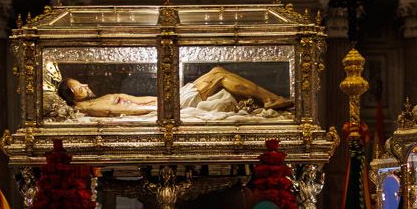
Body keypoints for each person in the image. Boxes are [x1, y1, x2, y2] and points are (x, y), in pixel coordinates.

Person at [57, 66, 292, 119]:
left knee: (219, 73)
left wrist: (166, 100)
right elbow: (123, 110)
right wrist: (163, 109)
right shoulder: (86, 107)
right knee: (218, 73)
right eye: (79, 86)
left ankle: (267, 100)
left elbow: (137, 100)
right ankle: (269, 100)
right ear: (71, 94)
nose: (85, 86)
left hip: (164, 104)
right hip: (159, 112)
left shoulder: (96, 98)